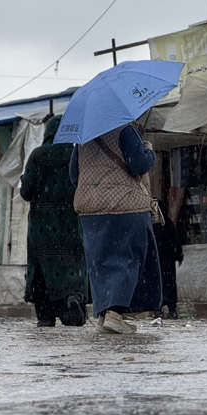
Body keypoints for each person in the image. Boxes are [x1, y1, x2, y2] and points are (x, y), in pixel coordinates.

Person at [70, 122, 162, 334]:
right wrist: (148, 151)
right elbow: (138, 164)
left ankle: (104, 313)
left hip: (90, 209)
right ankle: (115, 314)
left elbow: (74, 176)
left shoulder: (83, 138)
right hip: (125, 205)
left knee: (100, 262)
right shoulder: (125, 130)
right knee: (127, 259)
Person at [20, 115, 88, 327]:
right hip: (71, 225)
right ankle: (71, 300)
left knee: (42, 271)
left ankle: (46, 315)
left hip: (42, 228)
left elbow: (26, 192)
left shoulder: (38, 155)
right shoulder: (76, 154)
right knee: (72, 267)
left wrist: (26, 181)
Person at [152, 201, 183, 319]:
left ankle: (158, 309)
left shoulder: (152, 225)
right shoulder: (167, 223)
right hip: (167, 259)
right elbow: (175, 239)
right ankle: (171, 309)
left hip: (157, 259)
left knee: (157, 283)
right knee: (169, 283)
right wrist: (178, 255)